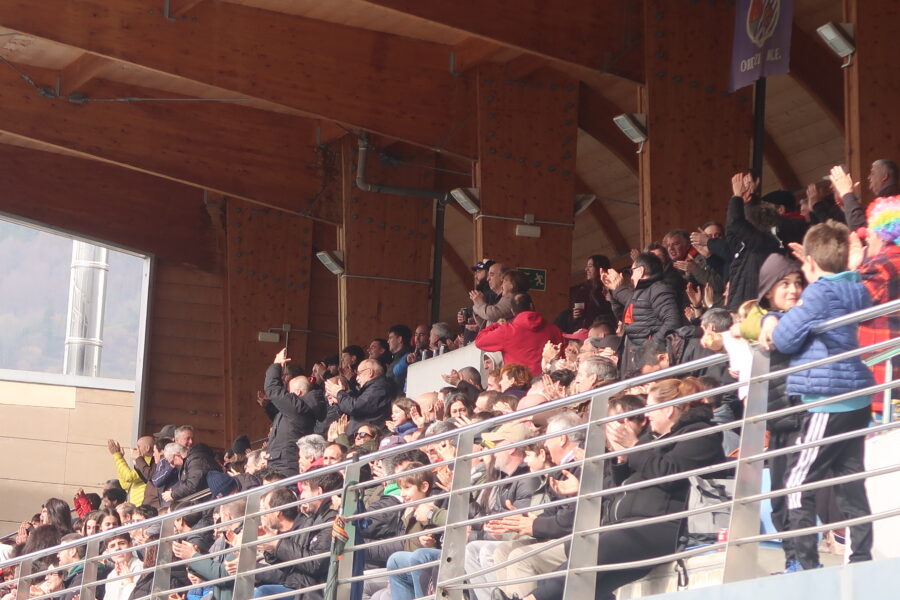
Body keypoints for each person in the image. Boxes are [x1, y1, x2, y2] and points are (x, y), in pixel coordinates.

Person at [766, 220, 876, 571]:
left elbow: (785, 339)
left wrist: (775, 320)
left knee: (797, 482)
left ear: (810, 263)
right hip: (856, 399)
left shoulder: (817, 294)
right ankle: (861, 558)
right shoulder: (853, 288)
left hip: (829, 400)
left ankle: (806, 564)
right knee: (849, 482)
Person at [253, 473, 341, 600]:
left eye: (304, 490)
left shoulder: (329, 520)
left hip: (312, 592)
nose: (301, 496)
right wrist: (271, 548)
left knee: (262, 593)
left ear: (319, 492)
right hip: (301, 587)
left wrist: (277, 544)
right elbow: (291, 565)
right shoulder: (313, 519)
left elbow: (315, 563)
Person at [604, 252, 682, 376]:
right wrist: (614, 290)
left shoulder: (658, 289)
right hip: (639, 360)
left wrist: (649, 350)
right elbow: (625, 317)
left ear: (640, 271)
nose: (631, 277)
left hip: (654, 363)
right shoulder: (641, 293)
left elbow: (673, 321)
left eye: (632, 271)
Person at [264, 349, 327, 476]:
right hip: (283, 463)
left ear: (297, 392)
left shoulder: (299, 408)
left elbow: (272, 389)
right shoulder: (300, 408)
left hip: (285, 465)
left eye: (289, 391)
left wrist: (277, 364)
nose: (287, 395)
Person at [475, 293, 564, 377]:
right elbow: (563, 354)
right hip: (545, 383)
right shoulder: (553, 329)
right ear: (531, 306)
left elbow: (479, 341)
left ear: (512, 311)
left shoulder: (507, 331)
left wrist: (496, 325)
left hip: (516, 384)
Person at [325, 358, 395, 436]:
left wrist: (339, 393)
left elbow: (356, 407)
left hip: (370, 437)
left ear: (370, 372)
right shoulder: (372, 388)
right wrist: (338, 400)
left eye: (359, 374)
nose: (357, 378)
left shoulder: (379, 388)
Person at [107, 437, 155, 507]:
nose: (135, 449)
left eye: (138, 447)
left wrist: (117, 456)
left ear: (147, 448)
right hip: (135, 505)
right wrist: (120, 457)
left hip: (143, 505)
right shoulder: (142, 461)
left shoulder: (149, 462)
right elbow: (125, 484)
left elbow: (129, 476)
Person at [102, 533, 143, 600]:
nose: (117, 548)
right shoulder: (111, 576)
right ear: (108, 552)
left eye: (122, 543)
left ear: (130, 545)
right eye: (112, 546)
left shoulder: (140, 567)